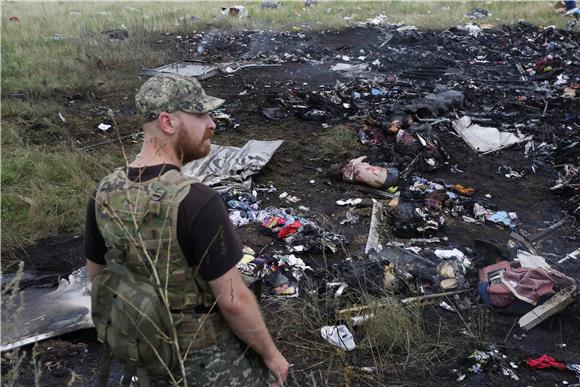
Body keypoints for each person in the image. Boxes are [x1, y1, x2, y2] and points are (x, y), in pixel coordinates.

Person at [84, 73, 289, 386]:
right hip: (203, 364)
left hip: (143, 357)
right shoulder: (197, 201)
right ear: (168, 123)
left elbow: (98, 277)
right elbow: (234, 302)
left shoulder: (104, 192)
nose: (212, 124)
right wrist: (271, 354)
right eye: (201, 114)